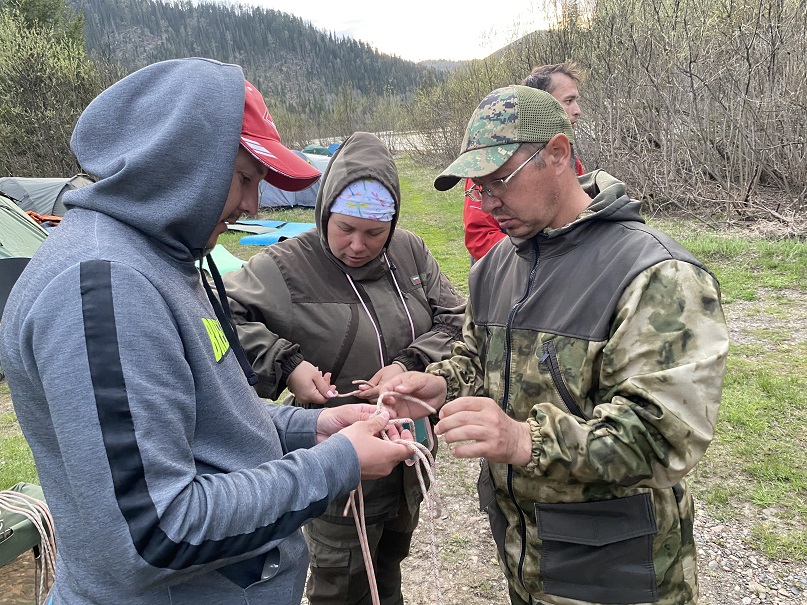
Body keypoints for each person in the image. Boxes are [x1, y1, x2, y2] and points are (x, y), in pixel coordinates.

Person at [0, 58, 416, 605]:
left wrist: (310, 428)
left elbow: (196, 413)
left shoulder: (158, 258)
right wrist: (335, 464)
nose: (252, 205)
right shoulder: (107, 288)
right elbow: (157, 533)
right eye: (244, 178)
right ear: (180, 162)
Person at [381, 85, 729, 605]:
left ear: (559, 154)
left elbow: (664, 438)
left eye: (500, 180)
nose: (488, 203)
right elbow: (477, 356)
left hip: (615, 566)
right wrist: (440, 385)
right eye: (478, 188)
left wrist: (524, 440)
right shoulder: (495, 267)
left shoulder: (656, 275)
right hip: (524, 549)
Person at [223, 131, 466, 605]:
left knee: (390, 560)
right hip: (337, 457)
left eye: (375, 233)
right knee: (342, 580)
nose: (358, 245)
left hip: (408, 448)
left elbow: (455, 318)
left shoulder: (409, 252)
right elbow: (219, 315)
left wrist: (409, 362)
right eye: (345, 228)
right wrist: (287, 363)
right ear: (325, 213)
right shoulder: (287, 265)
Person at [463, 61, 584, 262]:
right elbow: (480, 236)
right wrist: (535, 263)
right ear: (539, 106)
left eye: (576, 100)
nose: (577, 110)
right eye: (568, 100)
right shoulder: (490, 164)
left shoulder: (571, 163)